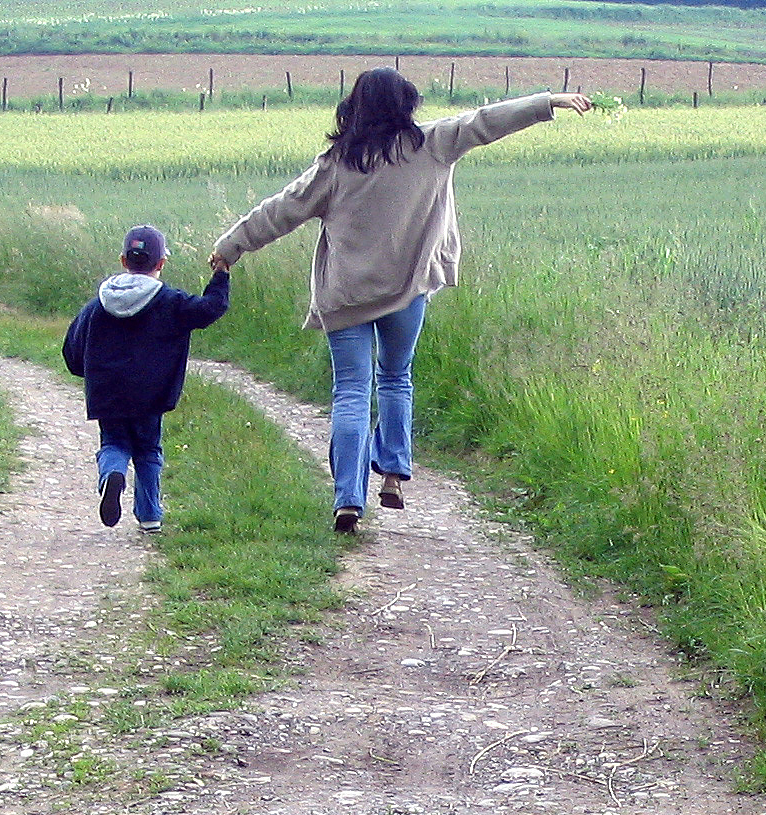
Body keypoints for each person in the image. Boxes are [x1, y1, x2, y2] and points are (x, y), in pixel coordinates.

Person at [210, 70, 591, 534]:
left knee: (351, 392)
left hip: (346, 297)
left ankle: (348, 499)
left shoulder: (337, 164)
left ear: (353, 108)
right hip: (407, 292)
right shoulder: (434, 144)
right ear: (408, 103)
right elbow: (488, 120)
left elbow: (280, 210)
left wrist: (230, 247)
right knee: (395, 377)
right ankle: (392, 471)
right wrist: (550, 101)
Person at [62, 224, 231, 532]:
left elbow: (72, 346)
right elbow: (211, 308)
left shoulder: (99, 303)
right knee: (148, 450)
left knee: (114, 442)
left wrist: (86, 372)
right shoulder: (170, 301)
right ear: (161, 263)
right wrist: (220, 274)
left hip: (107, 392)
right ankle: (150, 514)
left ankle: (112, 474)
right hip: (150, 394)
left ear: (123, 260)